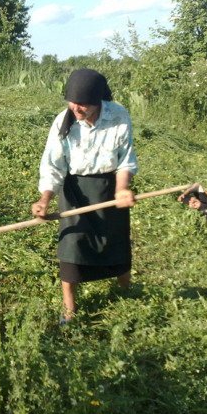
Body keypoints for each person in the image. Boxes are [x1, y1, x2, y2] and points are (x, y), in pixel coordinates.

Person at [31, 68, 138, 322]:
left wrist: (122, 188)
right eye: (72, 102)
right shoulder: (62, 121)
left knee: (116, 245)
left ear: (98, 101)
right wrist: (45, 199)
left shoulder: (118, 116)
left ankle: (126, 292)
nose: (76, 108)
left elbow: (125, 160)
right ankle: (69, 309)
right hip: (75, 192)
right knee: (71, 247)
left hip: (110, 191)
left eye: (83, 104)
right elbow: (53, 165)